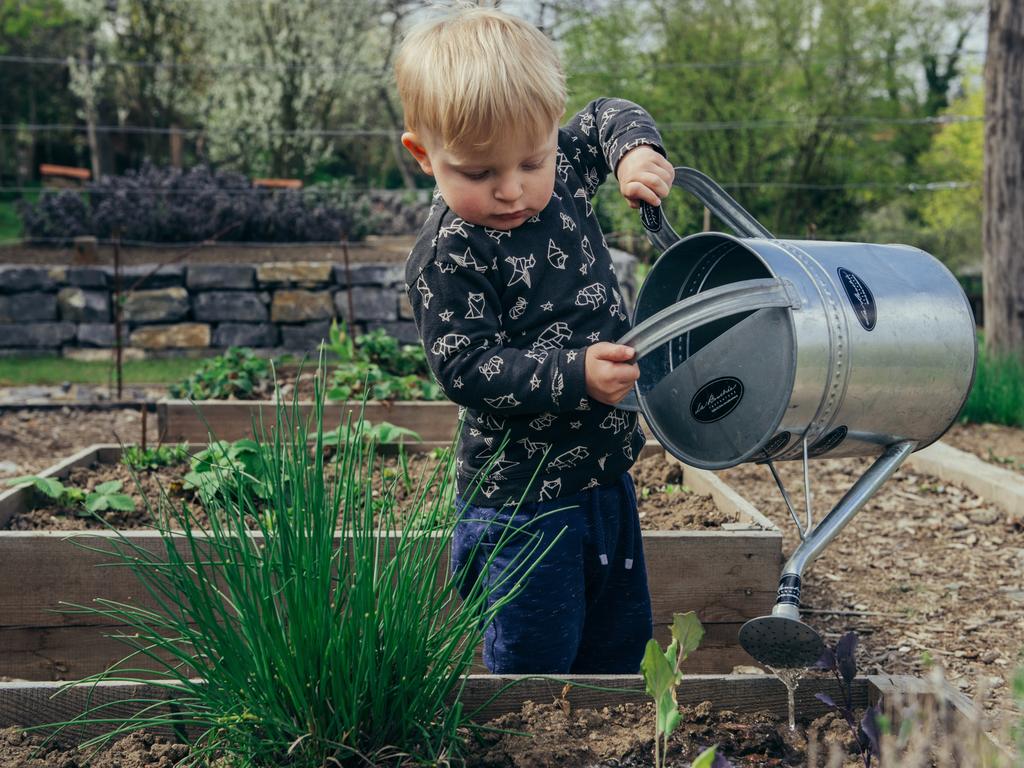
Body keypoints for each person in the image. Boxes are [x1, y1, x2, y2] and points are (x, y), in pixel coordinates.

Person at [395, 6, 674, 675]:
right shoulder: (450, 253)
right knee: (535, 664)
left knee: (617, 644)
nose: (512, 189)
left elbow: (609, 112)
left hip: (607, 476)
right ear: (423, 155)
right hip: (522, 504)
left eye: (531, 160)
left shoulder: (568, 172)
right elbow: (467, 367)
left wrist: (636, 151)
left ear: (552, 132)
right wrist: (574, 374)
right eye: (477, 172)